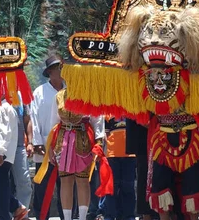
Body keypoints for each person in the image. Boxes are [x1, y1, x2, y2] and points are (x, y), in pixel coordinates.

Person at [39, 88, 104, 220]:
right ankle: (67, 218)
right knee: (65, 181)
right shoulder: (59, 96)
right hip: (63, 141)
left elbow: (97, 120)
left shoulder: (90, 94)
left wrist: (99, 142)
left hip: (84, 139)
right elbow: (54, 122)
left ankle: (82, 217)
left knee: (83, 181)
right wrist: (50, 147)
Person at [0, 94, 33, 214]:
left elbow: (26, 120)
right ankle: (16, 209)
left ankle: (20, 213)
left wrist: (30, 142)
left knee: (23, 181)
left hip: (16, 146)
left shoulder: (20, 96)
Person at [31, 56, 66, 220]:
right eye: (56, 67)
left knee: (66, 187)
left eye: (61, 67)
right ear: (50, 71)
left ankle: (66, 216)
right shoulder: (39, 92)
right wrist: (37, 142)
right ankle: (41, 216)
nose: (60, 70)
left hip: (67, 146)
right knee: (42, 188)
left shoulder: (71, 90)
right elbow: (34, 118)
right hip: (44, 147)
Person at [100, 117, 135, 220]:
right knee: (111, 188)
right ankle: (110, 215)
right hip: (112, 154)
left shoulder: (131, 109)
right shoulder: (108, 111)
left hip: (130, 153)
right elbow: (105, 134)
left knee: (128, 186)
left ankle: (128, 215)